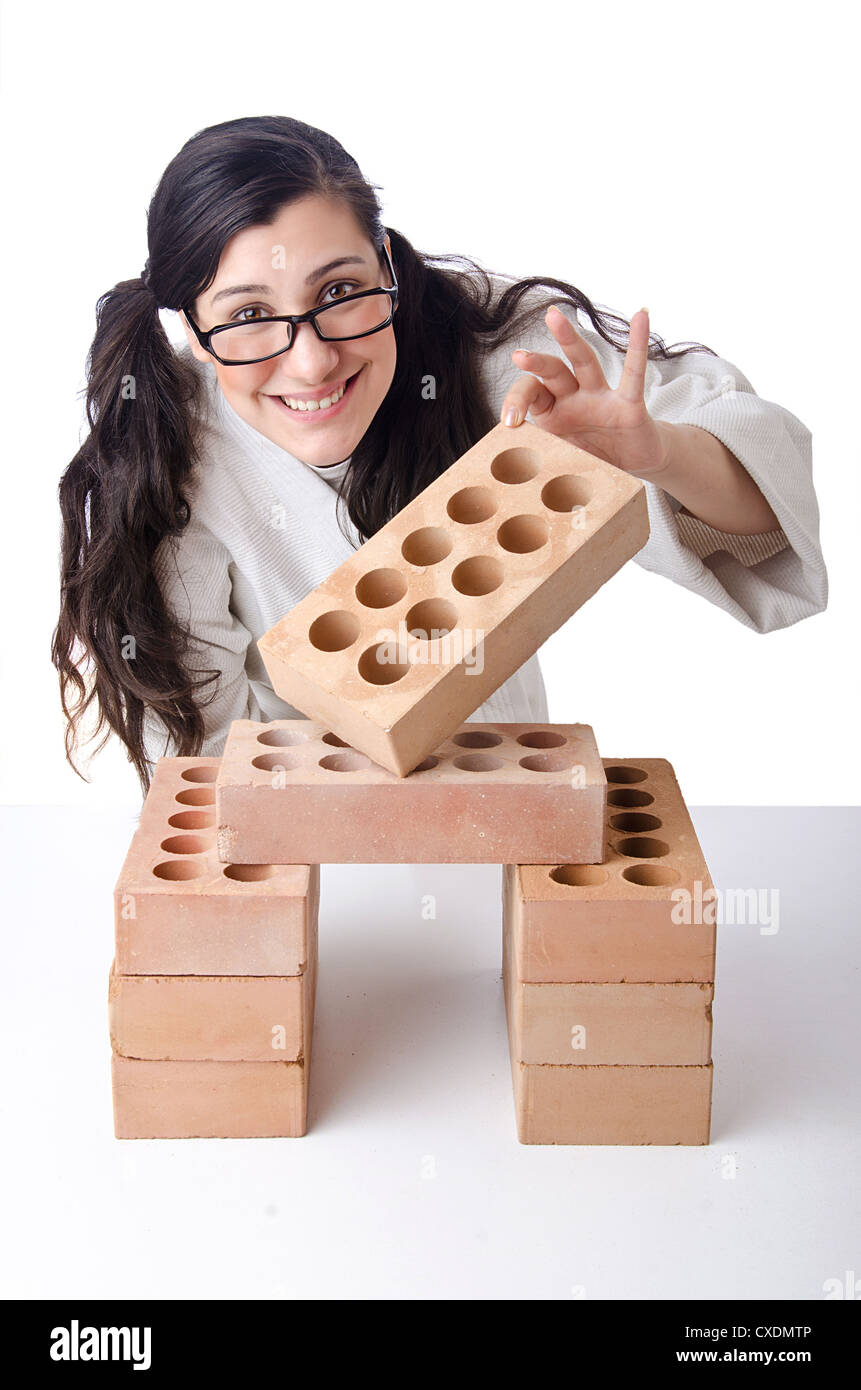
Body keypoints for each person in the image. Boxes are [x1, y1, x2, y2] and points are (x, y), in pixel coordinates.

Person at [52, 115, 827, 792]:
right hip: (319, 869)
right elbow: (209, 763)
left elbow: (760, 513)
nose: (313, 363)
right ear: (188, 326)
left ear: (385, 264)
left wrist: (658, 456)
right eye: (249, 314)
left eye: (338, 292)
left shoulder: (500, 354)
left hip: (510, 823)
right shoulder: (165, 457)